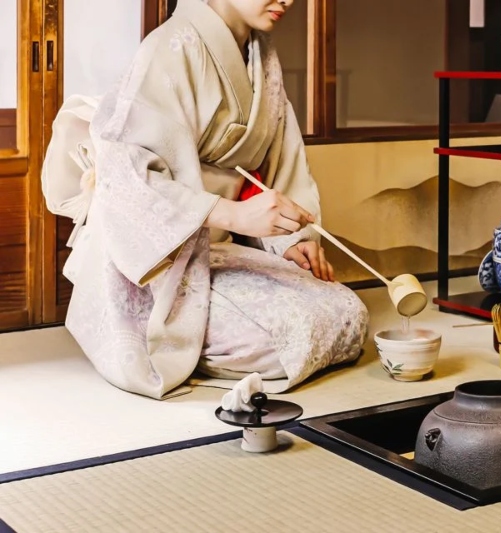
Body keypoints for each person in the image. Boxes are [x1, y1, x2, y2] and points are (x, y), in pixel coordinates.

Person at [41, 0, 369, 399]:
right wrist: (232, 214)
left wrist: (293, 239)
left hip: (222, 249)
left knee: (347, 312)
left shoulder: (262, 59)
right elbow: (125, 176)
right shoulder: (166, 50)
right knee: (289, 332)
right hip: (164, 261)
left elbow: (283, 162)